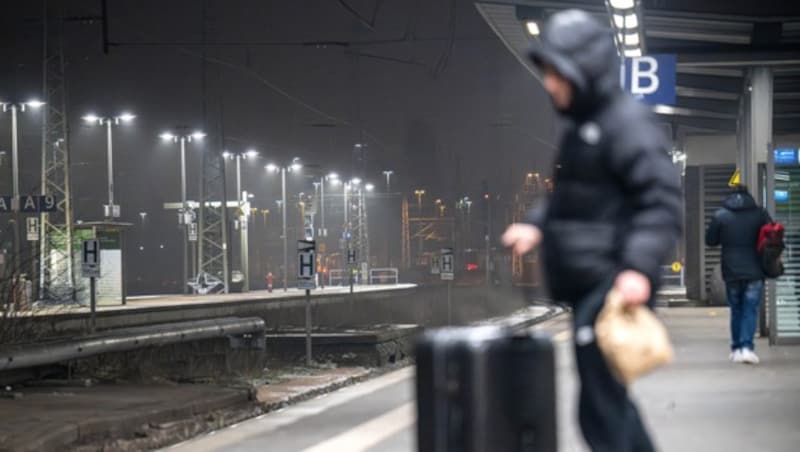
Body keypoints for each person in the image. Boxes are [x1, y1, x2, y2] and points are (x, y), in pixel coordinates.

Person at [502, 9, 682, 452]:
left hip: (612, 283)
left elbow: (660, 202)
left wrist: (637, 268)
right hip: (592, 281)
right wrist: (534, 225)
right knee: (607, 402)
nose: (549, 84)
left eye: (557, 73)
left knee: (599, 408)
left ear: (584, 70)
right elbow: (570, 201)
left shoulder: (626, 126)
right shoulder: (583, 128)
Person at [705, 184, 770, 365]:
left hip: (731, 269)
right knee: (750, 309)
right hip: (754, 268)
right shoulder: (760, 214)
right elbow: (770, 236)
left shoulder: (721, 215)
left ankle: (735, 349)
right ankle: (747, 348)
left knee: (737, 309)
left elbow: (710, 241)